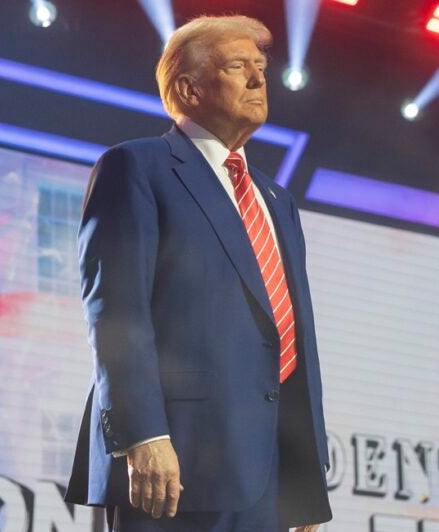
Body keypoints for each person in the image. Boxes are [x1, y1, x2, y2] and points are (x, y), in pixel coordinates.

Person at [63, 14, 333, 532]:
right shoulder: (137, 167)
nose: (258, 80)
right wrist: (144, 434)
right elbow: (115, 309)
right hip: (176, 459)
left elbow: (290, 336)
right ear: (188, 88)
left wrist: (305, 475)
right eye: (238, 66)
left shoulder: (277, 199)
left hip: (271, 470)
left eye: (261, 67)